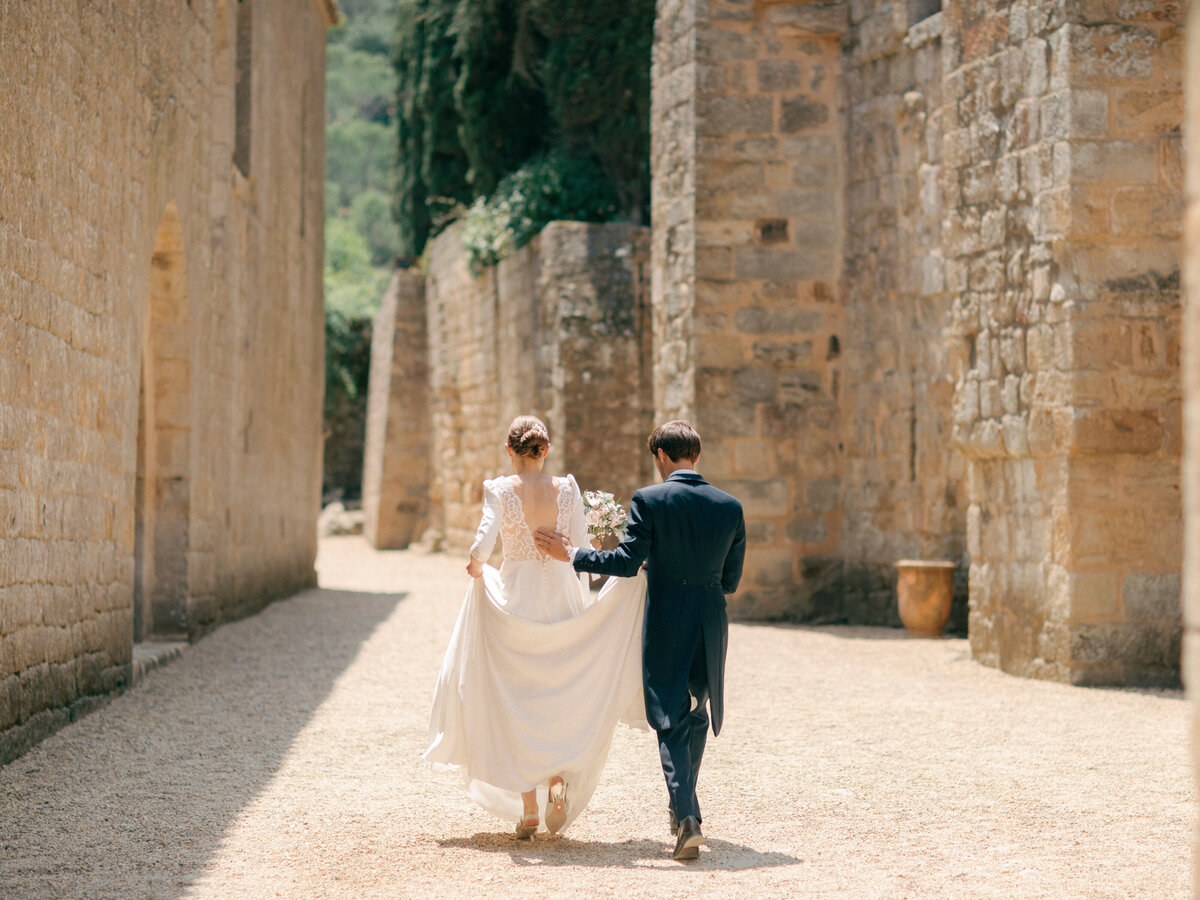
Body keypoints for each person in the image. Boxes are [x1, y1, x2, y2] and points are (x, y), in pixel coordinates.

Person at [424, 415, 647, 839]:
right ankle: (559, 777)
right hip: (561, 595)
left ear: (510, 450)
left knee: (517, 699)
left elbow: (483, 543)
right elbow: (581, 545)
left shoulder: (500, 489)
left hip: (517, 600)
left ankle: (529, 808)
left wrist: (475, 567)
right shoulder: (567, 488)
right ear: (546, 450)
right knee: (560, 689)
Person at [536, 420, 745, 861]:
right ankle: (682, 807)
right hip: (711, 620)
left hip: (669, 618)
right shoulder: (731, 506)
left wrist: (570, 553)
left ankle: (688, 818)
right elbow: (729, 581)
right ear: (696, 455)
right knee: (697, 712)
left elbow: (628, 562)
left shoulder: (650, 499)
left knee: (669, 716)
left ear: (662, 457)